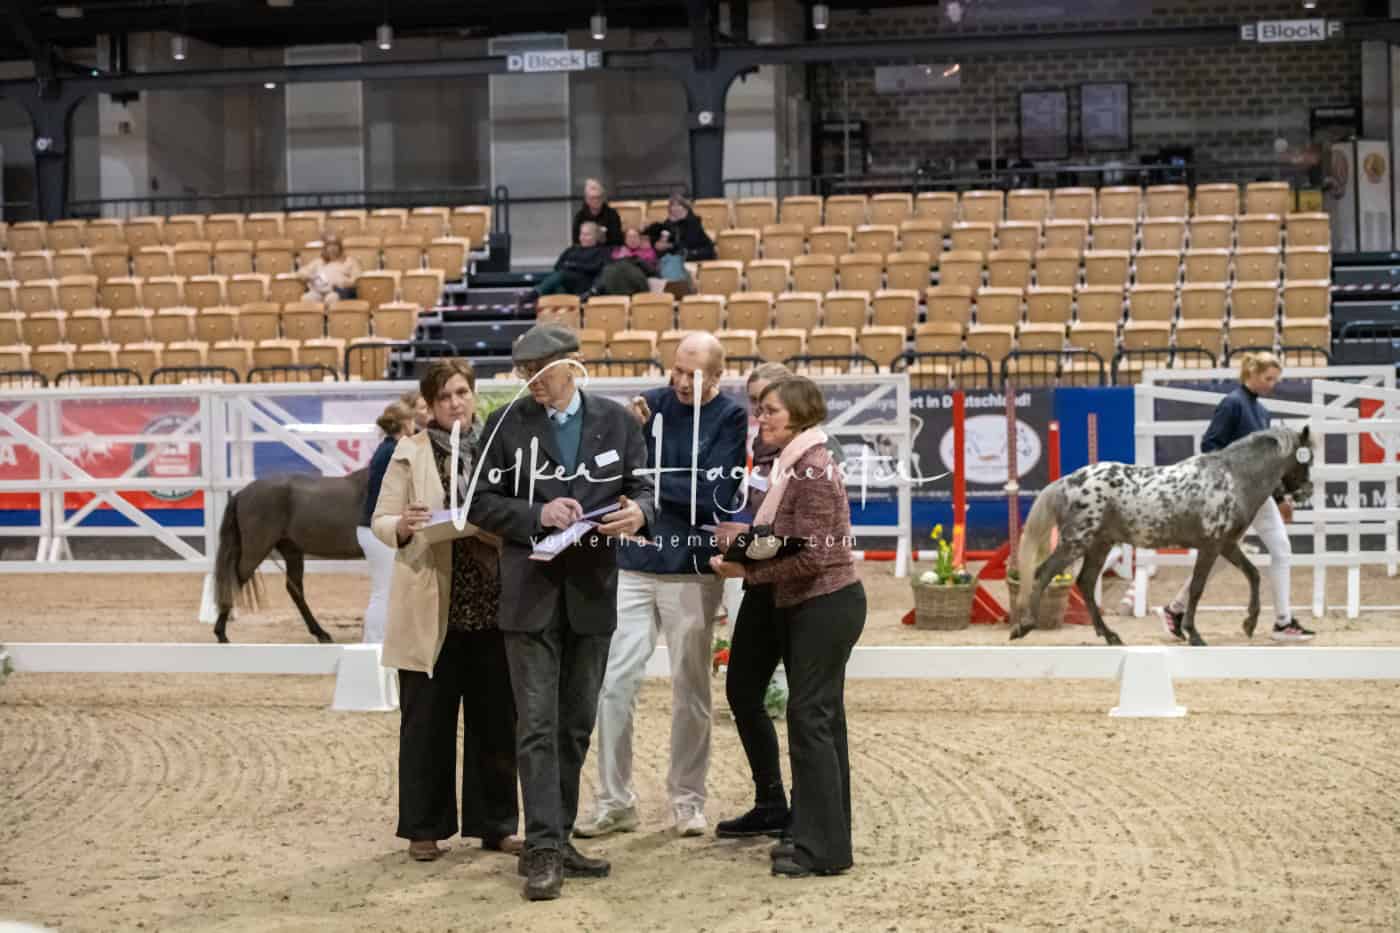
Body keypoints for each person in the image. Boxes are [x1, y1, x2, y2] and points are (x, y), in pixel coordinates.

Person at [468, 324, 656, 902]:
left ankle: (560, 835)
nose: (531, 382)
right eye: (524, 373)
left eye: (540, 372)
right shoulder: (505, 424)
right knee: (537, 726)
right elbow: (479, 503)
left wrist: (639, 515)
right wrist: (537, 515)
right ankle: (544, 847)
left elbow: (643, 489)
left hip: (592, 592)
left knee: (575, 725)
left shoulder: (617, 422)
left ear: (571, 367)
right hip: (530, 594)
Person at [576, 333, 747, 840]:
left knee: (691, 688)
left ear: (717, 376)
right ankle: (614, 801)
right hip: (632, 565)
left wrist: (647, 485)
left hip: (691, 568)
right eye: (676, 370)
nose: (680, 381)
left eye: (693, 374)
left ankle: (687, 800)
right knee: (614, 685)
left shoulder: (730, 418)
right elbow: (611, 475)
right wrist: (637, 458)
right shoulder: (646, 407)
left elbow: (714, 495)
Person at [710, 375, 866, 879]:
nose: (762, 417)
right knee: (819, 720)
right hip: (816, 602)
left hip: (824, 602)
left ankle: (822, 848)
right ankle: (822, 838)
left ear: (798, 414)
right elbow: (792, 540)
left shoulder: (811, 469)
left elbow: (813, 557)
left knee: (811, 720)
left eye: (771, 410)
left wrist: (745, 571)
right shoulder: (794, 463)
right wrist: (746, 540)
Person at [371, 359, 521, 864]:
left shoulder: (498, 447)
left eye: (462, 392)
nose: (455, 403)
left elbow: (518, 507)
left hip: (494, 608)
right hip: (430, 607)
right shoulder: (408, 451)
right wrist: (404, 526)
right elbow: (381, 518)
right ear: (429, 405)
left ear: (473, 395)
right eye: (444, 397)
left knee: (496, 723)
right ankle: (423, 828)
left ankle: (497, 825)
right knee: (426, 724)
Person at [1158, 351, 1314, 642]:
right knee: (1223, 556)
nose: (1272, 384)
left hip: (1259, 496)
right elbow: (1210, 445)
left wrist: (1280, 497)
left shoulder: (1261, 411)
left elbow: (1268, 464)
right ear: (1251, 374)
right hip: (1234, 499)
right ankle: (1176, 609)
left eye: (1275, 379)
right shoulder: (1232, 404)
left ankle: (1283, 622)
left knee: (1280, 549)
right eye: (1268, 378)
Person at [712, 362, 795, 843]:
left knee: (808, 705)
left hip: (801, 592)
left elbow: (796, 533)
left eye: (768, 403)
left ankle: (810, 809)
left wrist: (745, 549)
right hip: (762, 587)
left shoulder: (809, 455)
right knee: (742, 691)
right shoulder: (761, 455)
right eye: (754, 403)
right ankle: (771, 801)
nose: (759, 414)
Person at [357, 398, 417, 644]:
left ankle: (377, 643)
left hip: (372, 528)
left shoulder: (386, 447)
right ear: (405, 423)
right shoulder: (395, 450)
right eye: (412, 420)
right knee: (384, 592)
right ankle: (373, 645)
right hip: (379, 530)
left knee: (384, 590)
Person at [532, 222, 612, 297]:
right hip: (567, 283)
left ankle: (534, 293)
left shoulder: (602, 251)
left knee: (561, 275)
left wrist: (573, 266)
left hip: (585, 284)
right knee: (558, 286)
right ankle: (563, 306)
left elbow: (595, 268)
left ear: (596, 236)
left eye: (587, 235)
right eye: (581, 234)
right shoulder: (572, 249)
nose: (582, 237)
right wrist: (571, 266)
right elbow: (557, 266)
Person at [644, 194, 717, 264]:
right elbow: (664, 238)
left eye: (678, 205)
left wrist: (669, 245)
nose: (675, 208)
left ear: (685, 208)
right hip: (680, 253)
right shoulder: (669, 222)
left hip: (698, 252)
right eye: (672, 206)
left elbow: (688, 244)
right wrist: (660, 242)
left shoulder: (693, 221)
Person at [299, 233, 362, 304]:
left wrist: (344, 283)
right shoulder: (319, 261)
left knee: (331, 298)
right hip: (319, 291)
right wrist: (310, 276)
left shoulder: (349, 261)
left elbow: (357, 280)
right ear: (325, 248)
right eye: (329, 245)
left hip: (338, 292)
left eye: (335, 245)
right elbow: (302, 271)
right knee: (306, 298)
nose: (332, 248)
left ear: (340, 247)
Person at [597, 227, 658, 296]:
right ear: (625, 240)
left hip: (639, 284)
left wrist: (636, 260)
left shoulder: (648, 252)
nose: (632, 240)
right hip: (619, 284)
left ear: (640, 239)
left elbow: (653, 271)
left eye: (635, 237)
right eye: (629, 237)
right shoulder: (618, 252)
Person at [572, 178, 624, 248]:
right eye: (592, 198)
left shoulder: (612, 215)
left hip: (607, 251)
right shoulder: (580, 217)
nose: (596, 200)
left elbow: (617, 240)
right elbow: (576, 241)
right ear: (586, 199)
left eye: (598, 197)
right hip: (585, 252)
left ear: (603, 198)